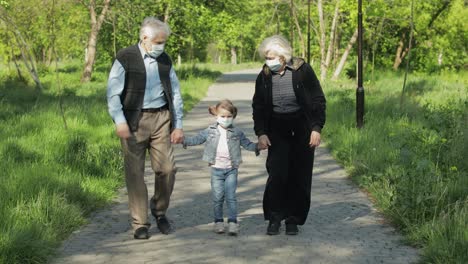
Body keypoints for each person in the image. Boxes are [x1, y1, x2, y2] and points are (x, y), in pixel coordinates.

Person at [106, 17, 184, 239]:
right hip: (133, 120)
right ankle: (140, 223)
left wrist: (178, 125)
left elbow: (176, 94)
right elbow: (113, 92)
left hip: (161, 118)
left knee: (167, 169)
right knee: (135, 173)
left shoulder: (165, 60)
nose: (162, 46)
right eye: (158, 42)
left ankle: (159, 211)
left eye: (164, 42)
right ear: (144, 38)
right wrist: (119, 120)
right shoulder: (125, 57)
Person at [252, 35, 326, 236]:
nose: (270, 61)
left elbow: (318, 99)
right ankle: (275, 217)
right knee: (277, 173)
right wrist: (261, 133)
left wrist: (316, 128)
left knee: (300, 175)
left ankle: (293, 219)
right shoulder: (265, 74)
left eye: (273, 57)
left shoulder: (302, 70)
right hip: (277, 127)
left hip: (302, 126)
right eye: (267, 57)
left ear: (284, 56)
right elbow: (258, 106)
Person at [183, 99, 259, 236]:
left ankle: (232, 223)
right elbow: (197, 139)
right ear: (216, 116)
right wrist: (183, 140)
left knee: (231, 197)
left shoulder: (237, 132)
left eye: (229, 116)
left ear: (233, 117)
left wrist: (258, 146)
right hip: (216, 169)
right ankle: (218, 221)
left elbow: (247, 144)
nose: (225, 119)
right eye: (222, 116)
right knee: (218, 197)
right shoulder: (210, 131)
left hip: (231, 169)